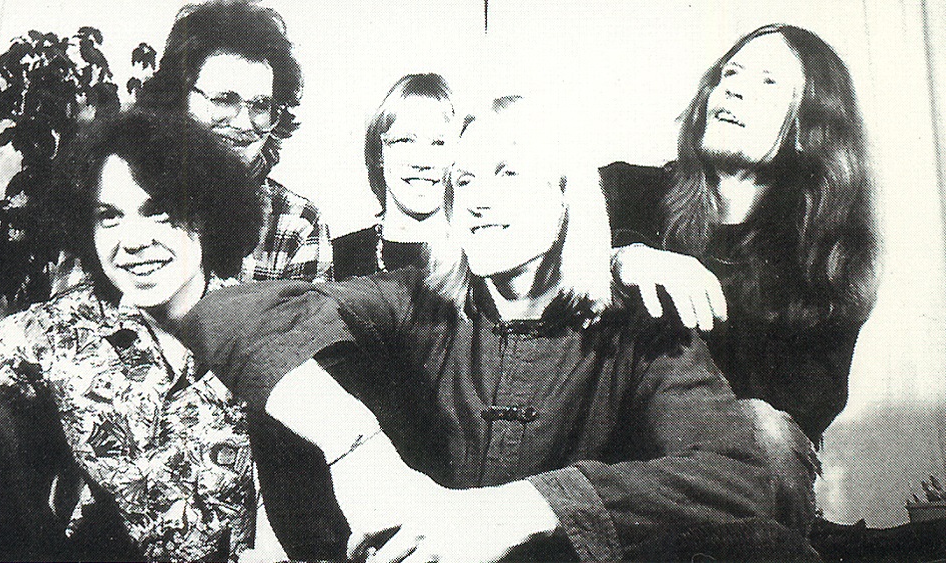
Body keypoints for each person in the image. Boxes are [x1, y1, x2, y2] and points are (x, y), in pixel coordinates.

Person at [176, 95, 817, 561]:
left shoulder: (638, 325)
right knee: (293, 379)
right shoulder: (419, 299)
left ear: (565, 195)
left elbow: (740, 476)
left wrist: (516, 512)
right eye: (464, 181)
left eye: (507, 173)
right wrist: (357, 448)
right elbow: (226, 313)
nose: (477, 200)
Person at [0, 109, 268, 561]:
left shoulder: (266, 330)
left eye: (159, 212)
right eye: (109, 216)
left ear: (209, 215)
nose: (133, 241)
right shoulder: (63, 330)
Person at [602, 23, 878, 445]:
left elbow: (789, 425)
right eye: (730, 74)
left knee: (768, 432)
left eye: (768, 82)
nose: (733, 90)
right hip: (604, 459)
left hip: (719, 462)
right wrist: (623, 258)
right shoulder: (625, 190)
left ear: (808, 127)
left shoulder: (825, 263)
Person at [137, 0, 332, 282]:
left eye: (261, 106)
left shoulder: (296, 224)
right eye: (224, 100)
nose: (243, 123)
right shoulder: (122, 202)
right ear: (177, 99)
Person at [333, 73, 455, 278]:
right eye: (405, 140)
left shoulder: (479, 258)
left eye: (438, 143)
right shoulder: (337, 257)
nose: (422, 162)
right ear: (379, 152)